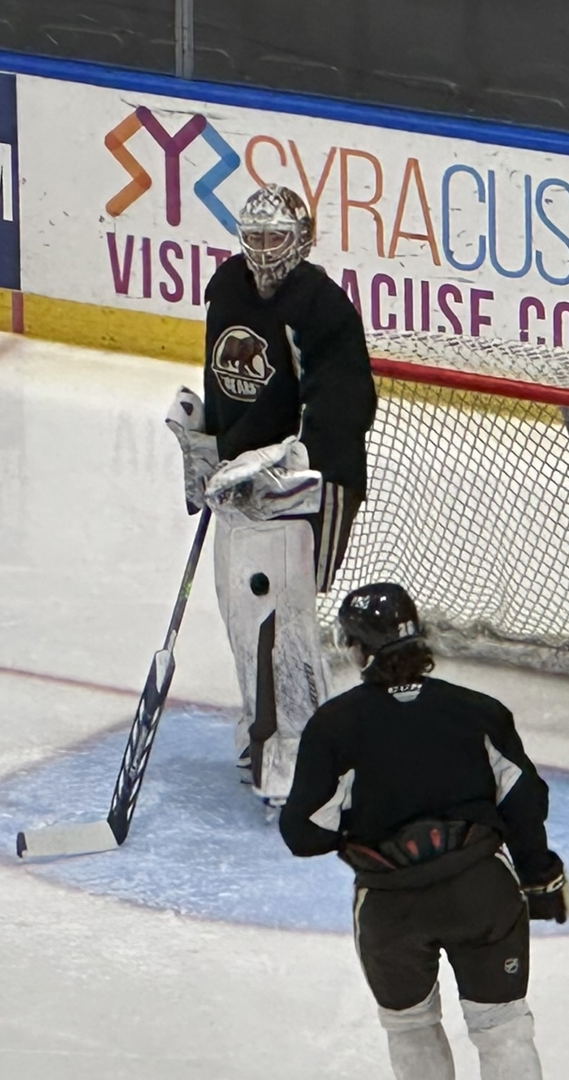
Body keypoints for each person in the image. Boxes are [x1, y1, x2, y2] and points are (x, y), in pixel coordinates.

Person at [279, 582, 569, 1080]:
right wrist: (539, 877)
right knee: (502, 1025)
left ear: (357, 650)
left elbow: (304, 831)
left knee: (410, 1025)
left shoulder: (334, 726)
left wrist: (356, 830)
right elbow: (524, 799)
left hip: (392, 907)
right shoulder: (479, 711)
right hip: (481, 891)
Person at [164, 183, 378, 806]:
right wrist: (206, 443)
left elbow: (345, 404)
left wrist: (288, 461)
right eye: (252, 238)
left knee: (284, 619)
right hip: (236, 484)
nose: (262, 253)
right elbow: (224, 381)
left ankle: (311, 757)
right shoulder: (227, 288)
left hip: (306, 485)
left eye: (275, 239)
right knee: (241, 615)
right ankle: (264, 734)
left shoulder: (321, 307)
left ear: (303, 240)